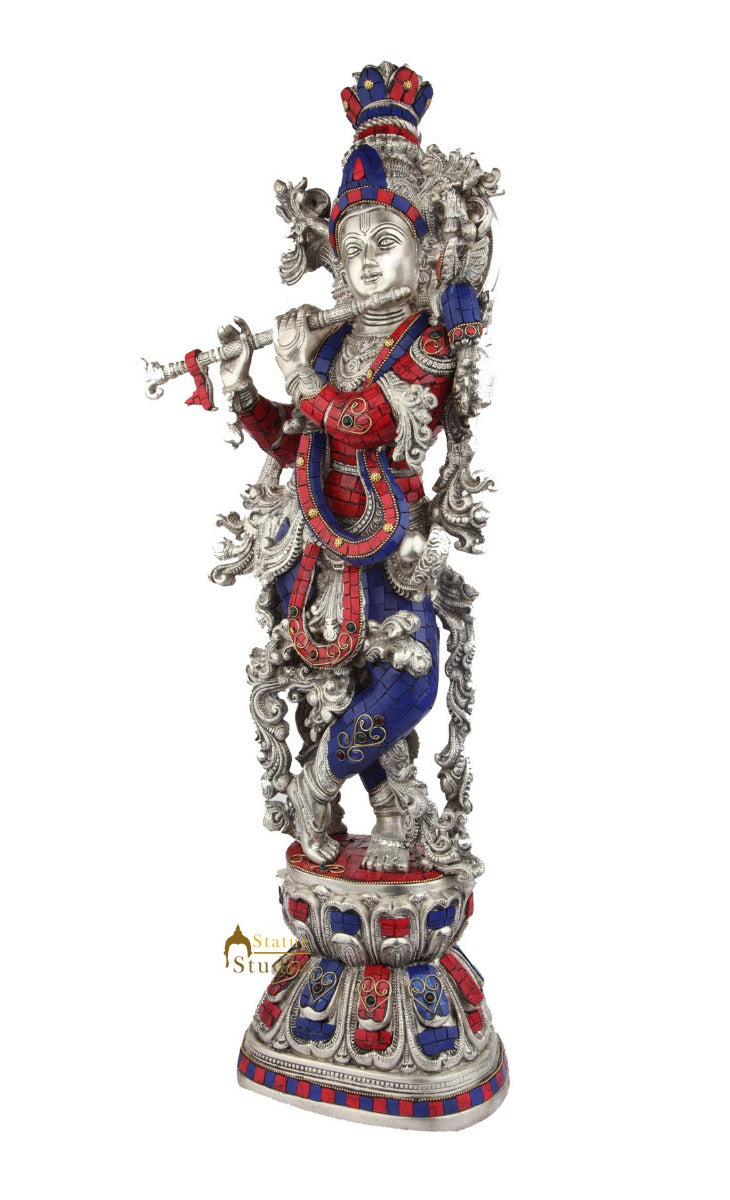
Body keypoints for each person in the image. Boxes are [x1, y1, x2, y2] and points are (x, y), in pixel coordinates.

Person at [215, 63, 495, 874]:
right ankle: (384, 804)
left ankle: (320, 781)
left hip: (389, 545)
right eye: (354, 246)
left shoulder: (429, 344)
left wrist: (298, 371)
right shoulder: (332, 340)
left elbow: (368, 422)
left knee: (410, 682)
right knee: (343, 680)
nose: (367, 263)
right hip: (315, 548)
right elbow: (297, 442)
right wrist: (245, 390)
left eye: (386, 243)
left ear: (423, 254)